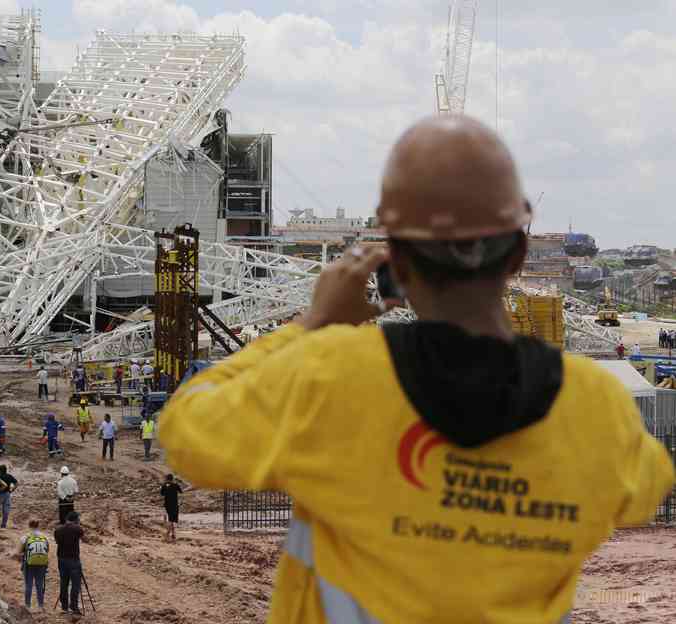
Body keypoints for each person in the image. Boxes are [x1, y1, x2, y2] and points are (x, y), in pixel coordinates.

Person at [158, 116, 676, 623]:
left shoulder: (329, 377)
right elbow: (645, 491)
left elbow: (188, 431)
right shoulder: (596, 409)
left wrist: (313, 324)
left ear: (397, 265)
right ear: (518, 254)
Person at [55, 511, 84, 615]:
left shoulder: (58, 529)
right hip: (73, 559)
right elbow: (83, 537)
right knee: (75, 584)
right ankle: (74, 606)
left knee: (64, 583)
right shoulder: (77, 529)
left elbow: (57, 542)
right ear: (76, 519)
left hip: (61, 559)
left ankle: (64, 606)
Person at [18, 519, 50, 610]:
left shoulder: (25, 537)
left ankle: (27, 606)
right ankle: (40, 606)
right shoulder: (44, 537)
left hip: (28, 564)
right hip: (42, 564)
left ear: (29, 525)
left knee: (28, 585)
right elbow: (47, 550)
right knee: (39, 585)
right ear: (38, 525)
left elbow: (19, 551)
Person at [160, 474, 183, 542]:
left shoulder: (164, 485)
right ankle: (167, 534)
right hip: (174, 505)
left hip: (167, 505)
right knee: (171, 519)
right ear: (172, 479)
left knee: (170, 519)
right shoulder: (175, 485)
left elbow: (162, 494)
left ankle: (173, 534)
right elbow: (181, 492)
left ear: (167, 479)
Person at [0, 465, 18, 529]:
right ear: (6, 470)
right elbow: (16, 483)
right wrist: (12, 490)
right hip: (7, 494)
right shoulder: (9, 476)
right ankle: (3, 525)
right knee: (6, 511)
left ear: (0, 470)